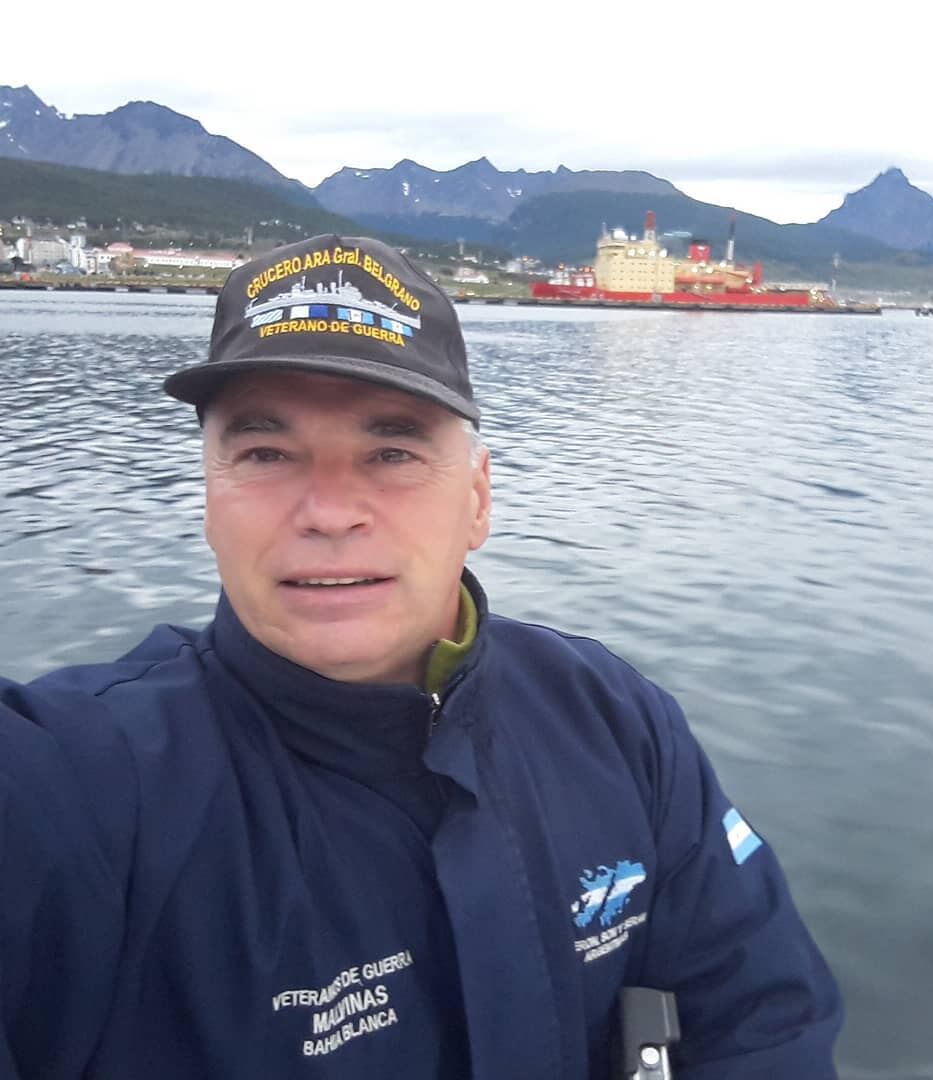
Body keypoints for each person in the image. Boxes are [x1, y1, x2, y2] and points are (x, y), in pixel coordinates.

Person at [0, 235, 842, 1079]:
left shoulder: (617, 724)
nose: (329, 511)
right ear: (209, 497)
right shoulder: (78, 789)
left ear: (476, 500)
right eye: (265, 453)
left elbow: (763, 1022)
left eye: (392, 452)